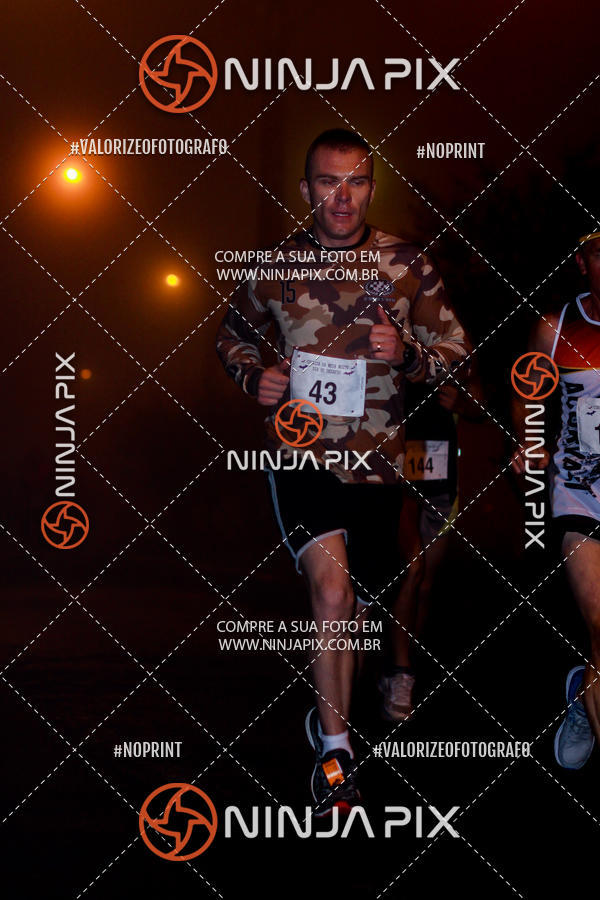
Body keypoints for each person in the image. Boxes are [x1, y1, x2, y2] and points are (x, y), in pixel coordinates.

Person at [216, 128, 469, 815]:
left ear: (371, 189)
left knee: (358, 603)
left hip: (379, 466)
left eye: (355, 181)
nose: (341, 196)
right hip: (301, 456)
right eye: (328, 181)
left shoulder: (406, 263)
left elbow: (457, 349)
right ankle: (337, 757)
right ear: (307, 190)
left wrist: (410, 354)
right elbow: (232, 335)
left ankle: (333, 720)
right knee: (331, 595)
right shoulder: (275, 265)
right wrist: (256, 378)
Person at [511, 231, 600, 769]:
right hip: (581, 494)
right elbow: (528, 389)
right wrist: (530, 441)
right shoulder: (557, 326)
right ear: (582, 262)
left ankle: (583, 696)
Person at [379, 378, 484, 721]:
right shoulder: (384, 346)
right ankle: (398, 671)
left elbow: (480, 404)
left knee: (423, 585)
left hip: (440, 476)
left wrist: (462, 403)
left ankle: (401, 667)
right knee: (411, 572)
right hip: (394, 470)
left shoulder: (452, 351)